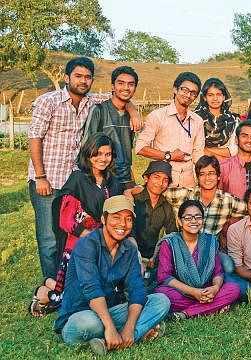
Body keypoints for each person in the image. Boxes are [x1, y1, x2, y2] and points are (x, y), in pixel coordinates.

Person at [28, 57, 140, 281]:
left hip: (75, 179)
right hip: (48, 179)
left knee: (70, 231)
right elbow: (34, 138)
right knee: (50, 236)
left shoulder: (90, 100)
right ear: (66, 77)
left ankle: (68, 278)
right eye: (78, 76)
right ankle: (51, 284)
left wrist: (133, 110)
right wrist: (40, 176)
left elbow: (120, 95)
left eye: (87, 77)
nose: (83, 81)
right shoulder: (48, 101)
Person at [54, 196, 170, 356]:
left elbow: (137, 290)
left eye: (128, 219)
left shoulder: (129, 248)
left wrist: (129, 327)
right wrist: (109, 326)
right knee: (90, 323)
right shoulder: (86, 245)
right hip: (80, 316)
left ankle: (115, 340)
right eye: (116, 217)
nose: (122, 224)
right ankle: (128, 331)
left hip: (110, 311)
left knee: (161, 301)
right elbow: (92, 290)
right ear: (103, 218)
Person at [29, 133, 123, 317]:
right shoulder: (78, 179)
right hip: (80, 244)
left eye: (108, 154)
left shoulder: (113, 182)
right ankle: (46, 293)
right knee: (76, 299)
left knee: (105, 295)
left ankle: (52, 283)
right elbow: (66, 220)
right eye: (98, 154)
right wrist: (94, 237)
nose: (103, 159)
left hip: (106, 244)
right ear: (88, 155)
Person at [155, 200, 241, 321]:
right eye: (188, 217)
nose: (194, 221)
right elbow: (164, 277)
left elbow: (218, 272)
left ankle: (184, 314)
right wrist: (194, 292)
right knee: (161, 294)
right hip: (181, 293)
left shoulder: (210, 241)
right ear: (179, 221)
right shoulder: (170, 243)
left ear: (202, 220)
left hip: (206, 292)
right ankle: (210, 308)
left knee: (234, 289)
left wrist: (215, 288)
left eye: (198, 217)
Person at [135, 72, 205, 188]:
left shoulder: (197, 121)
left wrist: (202, 178)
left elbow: (198, 153)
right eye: (185, 90)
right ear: (175, 89)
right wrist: (169, 156)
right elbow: (140, 148)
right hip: (163, 183)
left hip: (189, 184)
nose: (188, 95)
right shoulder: (157, 116)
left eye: (193, 93)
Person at [83, 66, 139, 189]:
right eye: (121, 83)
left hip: (125, 179)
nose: (125, 88)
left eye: (131, 84)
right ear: (113, 86)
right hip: (104, 179)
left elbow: (127, 150)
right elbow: (87, 148)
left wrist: (131, 180)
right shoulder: (99, 110)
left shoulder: (131, 116)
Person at [131, 161, 178, 269]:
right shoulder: (134, 200)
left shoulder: (166, 206)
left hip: (154, 256)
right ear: (146, 178)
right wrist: (135, 255)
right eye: (156, 177)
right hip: (131, 253)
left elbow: (172, 234)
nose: (160, 183)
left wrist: (159, 254)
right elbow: (128, 231)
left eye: (165, 180)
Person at [219, 120, 251, 199]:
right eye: (244, 136)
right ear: (236, 139)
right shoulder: (224, 167)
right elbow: (217, 197)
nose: (249, 140)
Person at [195, 77, 240, 161]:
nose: (215, 98)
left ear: (224, 97)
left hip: (227, 167)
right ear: (204, 97)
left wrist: (206, 150)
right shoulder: (196, 119)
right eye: (210, 95)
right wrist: (221, 158)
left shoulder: (233, 120)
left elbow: (235, 150)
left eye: (218, 94)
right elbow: (193, 148)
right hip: (200, 167)